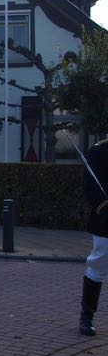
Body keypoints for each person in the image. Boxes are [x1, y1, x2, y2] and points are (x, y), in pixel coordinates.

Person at [79, 137, 108, 335]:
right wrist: (103, 207)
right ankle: (87, 315)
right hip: (106, 219)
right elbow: (91, 185)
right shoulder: (100, 151)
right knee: (98, 262)